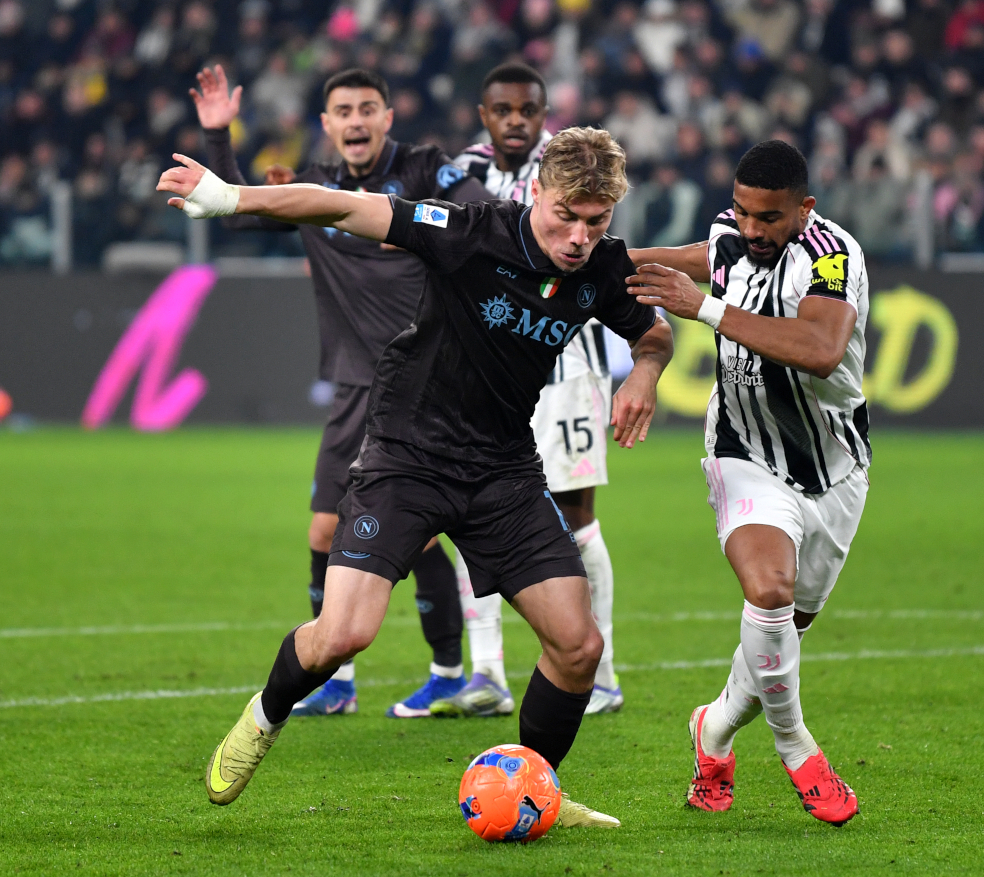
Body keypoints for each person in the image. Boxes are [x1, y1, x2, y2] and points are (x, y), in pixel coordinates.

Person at [157, 126, 674, 826]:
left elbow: (654, 331)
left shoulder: (604, 268)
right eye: (567, 215)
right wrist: (228, 196)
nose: (580, 236)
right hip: (407, 456)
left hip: (502, 471)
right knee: (343, 635)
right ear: (538, 194)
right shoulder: (467, 232)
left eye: (597, 221)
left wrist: (643, 373)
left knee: (579, 646)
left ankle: (534, 787)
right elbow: (341, 205)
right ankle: (265, 714)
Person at [189, 65, 492, 718]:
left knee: (421, 534)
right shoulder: (316, 189)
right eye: (343, 111)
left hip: (424, 388)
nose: (355, 120)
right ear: (326, 126)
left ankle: (446, 671)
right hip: (356, 389)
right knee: (325, 529)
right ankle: (336, 677)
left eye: (367, 108)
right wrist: (219, 138)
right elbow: (237, 212)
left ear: (388, 116)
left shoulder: (424, 171)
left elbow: (482, 215)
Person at [627, 140, 868, 825]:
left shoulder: (831, 256)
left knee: (783, 631)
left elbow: (822, 351)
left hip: (835, 466)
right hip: (743, 450)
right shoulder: (735, 238)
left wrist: (701, 308)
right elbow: (699, 259)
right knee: (768, 590)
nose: (752, 229)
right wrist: (620, 257)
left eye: (768, 217)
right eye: (743, 212)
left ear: (805, 209)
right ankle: (797, 747)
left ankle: (714, 729)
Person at [415, 62, 624, 720]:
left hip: (569, 368)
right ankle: (486, 672)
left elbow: (603, 253)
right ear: (484, 114)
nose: (515, 121)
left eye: (527, 110)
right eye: (503, 110)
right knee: (466, 516)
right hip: (487, 370)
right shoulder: (458, 172)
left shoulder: (571, 168)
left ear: (542, 115)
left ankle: (603, 669)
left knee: (576, 515)